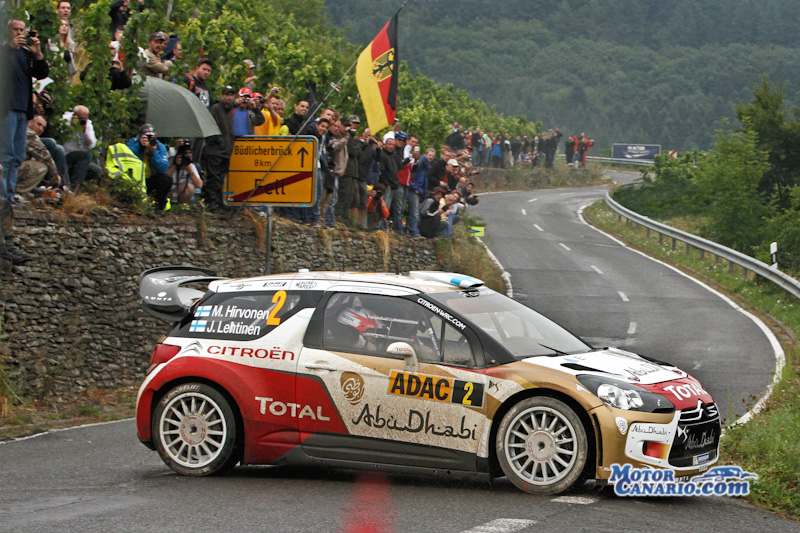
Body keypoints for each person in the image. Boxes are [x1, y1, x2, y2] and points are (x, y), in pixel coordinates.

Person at [1, 19, 50, 204]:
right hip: (7, 108)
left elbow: (42, 73)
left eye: (22, 30)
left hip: (23, 109)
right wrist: (9, 48)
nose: (19, 33)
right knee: (6, 153)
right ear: (8, 30)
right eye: (16, 29)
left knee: (17, 155)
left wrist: (38, 54)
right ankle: (3, 194)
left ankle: (10, 193)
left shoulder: (25, 54)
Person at [203, 85, 236, 211]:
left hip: (226, 151)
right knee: (214, 178)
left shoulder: (230, 111)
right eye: (227, 95)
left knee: (221, 179)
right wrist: (218, 140)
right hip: (215, 151)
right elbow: (210, 127)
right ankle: (212, 204)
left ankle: (218, 202)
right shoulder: (216, 109)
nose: (229, 97)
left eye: (231, 95)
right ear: (222, 96)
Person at [126, 124, 171, 210]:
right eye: (145, 136)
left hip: (151, 179)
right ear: (139, 136)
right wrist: (139, 145)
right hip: (135, 178)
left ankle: (157, 207)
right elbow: (127, 156)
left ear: (155, 136)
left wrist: (153, 152)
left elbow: (163, 169)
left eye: (150, 137)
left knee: (166, 179)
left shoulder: (160, 147)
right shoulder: (133, 143)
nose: (148, 139)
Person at [17, 115, 62, 197]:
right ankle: (16, 192)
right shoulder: (27, 133)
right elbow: (44, 156)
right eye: (39, 124)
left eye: (43, 127)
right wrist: (55, 177)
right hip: (6, 169)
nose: (41, 129)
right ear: (29, 122)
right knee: (41, 167)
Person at [62, 105, 101, 191]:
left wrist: (84, 131)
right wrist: (71, 126)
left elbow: (91, 145)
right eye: (80, 118)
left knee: (96, 170)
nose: (82, 120)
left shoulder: (87, 124)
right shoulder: (65, 119)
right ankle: (74, 188)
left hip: (80, 159)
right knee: (86, 155)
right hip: (66, 154)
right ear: (74, 115)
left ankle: (71, 183)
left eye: (84, 118)